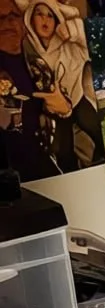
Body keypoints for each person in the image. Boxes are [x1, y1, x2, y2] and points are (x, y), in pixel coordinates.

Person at [19, 0, 101, 171]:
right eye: (39, 14)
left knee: (95, 128)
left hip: (77, 98)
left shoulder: (70, 46)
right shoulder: (26, 48)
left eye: (50, 15)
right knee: (63, 152)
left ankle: (100, 161)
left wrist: (72, 29)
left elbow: (89, 39)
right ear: (30, 19)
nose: (45, 19)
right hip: (53, 111)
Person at [0, 0, 69, 180]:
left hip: (45, 166)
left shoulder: (38, 66)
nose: (7, 21)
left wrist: (64, 108)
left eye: (13, 15)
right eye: (0, 17)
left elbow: (62, 102)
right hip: (9, 177)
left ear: (24, 25)